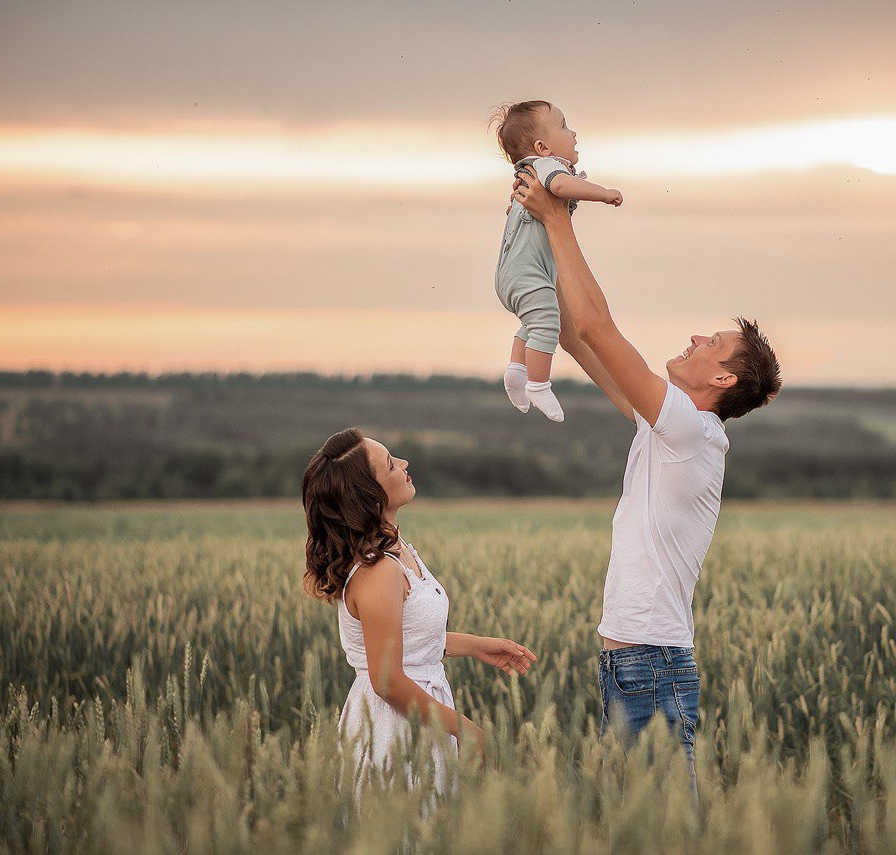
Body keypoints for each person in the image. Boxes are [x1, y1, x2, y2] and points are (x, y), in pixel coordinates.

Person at [512, 165, 782, 786]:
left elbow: (600, 330)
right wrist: (539, 280)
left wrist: (558, 218)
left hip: (650, 664)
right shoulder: (669, 427)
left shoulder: (690, 431)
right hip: (632, 662)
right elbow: (583, 340)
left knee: (657, 833)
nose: (694, 337)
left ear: (723, 380)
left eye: (710, 343)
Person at [301, 427, 537, 796]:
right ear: (371, 497)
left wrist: (475, 646)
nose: (405, 463)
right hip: (396, 728)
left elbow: (405, 640)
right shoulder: (378, 571)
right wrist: (463, 726)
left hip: (419, 716)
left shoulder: (396, 549)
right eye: (391, 465)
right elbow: (387, 680)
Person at [491, 100, 623, 422]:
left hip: (513, 272)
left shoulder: (528, 172)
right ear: (542, 146)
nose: (573, 132)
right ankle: (538, 384)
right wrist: (602, 192)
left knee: (533, 321)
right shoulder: (549, 167)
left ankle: (516, 371)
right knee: (547, 320)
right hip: (528, 271)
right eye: (564, 126)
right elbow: (562, 185)